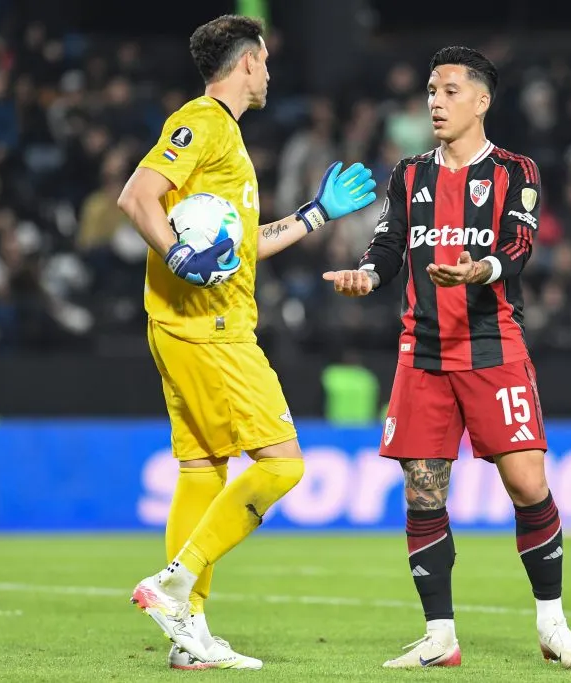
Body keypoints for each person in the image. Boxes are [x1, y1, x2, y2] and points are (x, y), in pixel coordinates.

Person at [323, 46, 571, 670]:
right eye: (430, 91)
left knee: (527, 483)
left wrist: (482, 268)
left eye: (448, 91)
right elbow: (390, 243)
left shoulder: (515, 170)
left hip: (493, 346)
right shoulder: (409, 174)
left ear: (481, 100)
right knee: (423, 493)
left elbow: (520, 243)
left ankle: (552, 624)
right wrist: (368, 275)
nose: (435, 102)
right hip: (420, 353)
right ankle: (440, 636)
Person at [117, 14, 376, 670]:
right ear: (249, 63)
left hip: (188, 325)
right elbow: (136, 197)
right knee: (284, 463)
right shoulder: (202, 123)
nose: (270, 71)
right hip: (213, 331)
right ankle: (175, 583)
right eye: (265, 60)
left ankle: (189, 634)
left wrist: (316, 213)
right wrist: (177, 254)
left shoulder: (223, 137)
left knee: (204, 469)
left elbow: (240, 250)